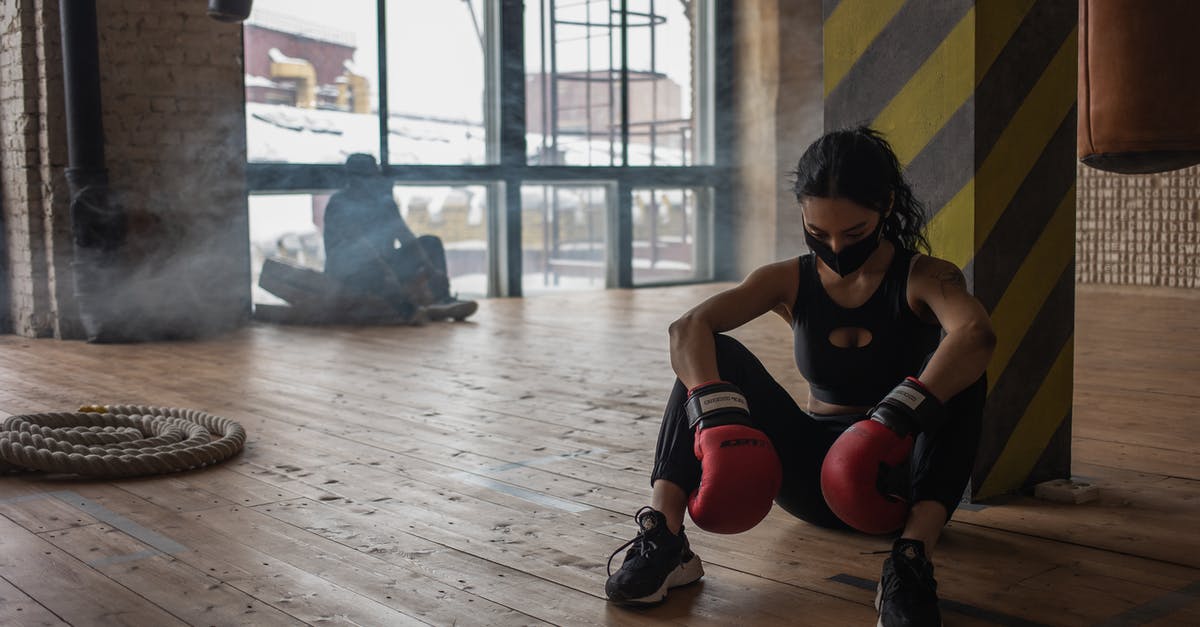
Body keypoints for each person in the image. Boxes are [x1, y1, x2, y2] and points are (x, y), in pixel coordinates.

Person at [603, 127, 996, 627]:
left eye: (853, 233)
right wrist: (713, 414)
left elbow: (976, 333)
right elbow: (687, 329)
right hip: (813, 478)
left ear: (886, 207)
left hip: (900, 480)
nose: (835, 245)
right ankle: (666, 539)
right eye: (819, 232)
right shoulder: (787, 279)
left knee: (962, 370)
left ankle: (910, 563)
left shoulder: (925, 276)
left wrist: (892, 419)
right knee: (708, 354)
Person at [322, 153, 478, 322]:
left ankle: (440, 300)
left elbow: (405, 237)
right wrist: (389, 277)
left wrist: (431, 271)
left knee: (430, 242)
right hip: (352, 273)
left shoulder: (383, 202)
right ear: (352, 178)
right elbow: (361, 247)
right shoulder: (339, 203)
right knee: (364, 261)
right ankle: (405, 307)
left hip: (386, 265)